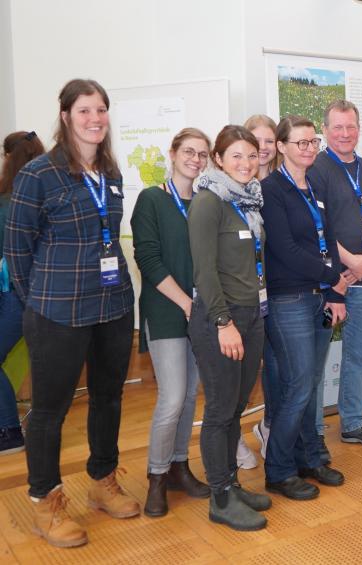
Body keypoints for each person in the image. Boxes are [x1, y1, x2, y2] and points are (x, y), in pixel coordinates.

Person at [4, 79, 139, 548]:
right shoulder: (38, 175)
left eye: (101, 109)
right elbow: (16, 249)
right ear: (65, 116)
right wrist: (37, 299)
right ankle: (46, 499)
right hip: (57, 312)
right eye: (84, 110)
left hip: (114, 306)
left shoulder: (112, 173)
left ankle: (102, 480)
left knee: (109, 397)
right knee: (49, 410)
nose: (95, 118)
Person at [187, 125, 271, 531]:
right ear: (218, 159)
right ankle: (219, 496)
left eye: (252, 155)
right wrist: (223, 323)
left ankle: (232, 485)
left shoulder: (249, 201)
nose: (246, 163)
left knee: (236, 407)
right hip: (221, 318)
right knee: (220, 410)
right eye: (236, 155)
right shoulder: (208, 202)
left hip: (252, 314)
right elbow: (204, 272)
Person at [260, 115, 347, 502]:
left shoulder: (313, 186)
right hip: (288, 298)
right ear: (281, 146)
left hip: (319, 294)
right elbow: (285, 249)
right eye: (300, 143)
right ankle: (278, 470)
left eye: (313, 142)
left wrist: (335, 291)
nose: (309, 149)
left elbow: (328, 238)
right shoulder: (271, 189)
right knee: (297, 387)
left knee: (308, 385)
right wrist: (334, 276)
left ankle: (309, 458)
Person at [131, 128, 212, 517]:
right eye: (189, 152)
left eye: (202, 154)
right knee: (173, 396)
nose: (195, 160)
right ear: (173, 153)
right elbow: (147, 259)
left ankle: (180, 465)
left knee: (190, 395)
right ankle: (157, 476)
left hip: (199, 313)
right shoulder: (152, 199)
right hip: (167, 311)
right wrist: (184, 303)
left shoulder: (204, 202)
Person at [307, 100, 362, 449]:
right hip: (330, 280)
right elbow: (319, 225)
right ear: (325, 131)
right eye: (338, 127)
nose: (345, 133)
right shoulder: (315, 168)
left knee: (360, 353)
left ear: (359, 128)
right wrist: (350, 263)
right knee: (317, 358)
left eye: (351, 126)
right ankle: (312, 429)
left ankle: (354, 421)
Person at [1, 131, 44, 456]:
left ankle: (9, 431)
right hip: (47, 296)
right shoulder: (45, 194)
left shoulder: (6, 202)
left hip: (16, 295)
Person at [241, 114, 277, 468]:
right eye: (256, 143)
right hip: (243, 292)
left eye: (268, 142)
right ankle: (232, 435)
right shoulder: (234, 189)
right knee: (244, 369)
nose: (262, 149)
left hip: (277, 290)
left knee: (274, 365)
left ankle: (267, 425)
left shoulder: (282, 184)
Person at [245, 114, 278, 181]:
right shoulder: (234, 184)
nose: (263, 147)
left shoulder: (285, 180)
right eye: (256, 141)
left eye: (269, 141)